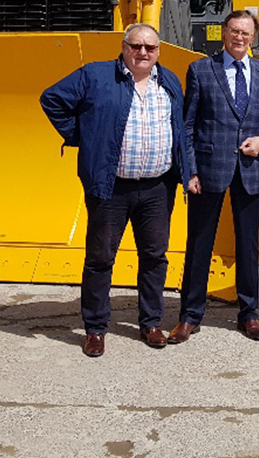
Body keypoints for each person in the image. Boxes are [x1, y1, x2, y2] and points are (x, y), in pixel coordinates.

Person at [40, 24, 190, 357]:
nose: (143, 53)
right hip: (110, 188)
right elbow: (51, 99)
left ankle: (151, 323)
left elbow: (179, 130)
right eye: (136, 46)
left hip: (157, 187)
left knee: (154, 257)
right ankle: (95, 328)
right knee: (100, 258)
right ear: (123, 47)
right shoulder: (95, 76)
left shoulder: (169, 81)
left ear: (158, 52)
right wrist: (84, 136)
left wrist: (186, 171)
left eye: (150, 47)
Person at [168, 10, 259, 344]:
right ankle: (189, 315)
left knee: (248, 245)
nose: (239, 37)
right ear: (224, 33)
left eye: (246, 32)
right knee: (199, 243)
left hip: (250, 171)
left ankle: (250, 314)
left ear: (253, 37)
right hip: (208, 171)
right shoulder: (201, 70)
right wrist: (190, 171)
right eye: (234, 31)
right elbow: (188, 125)